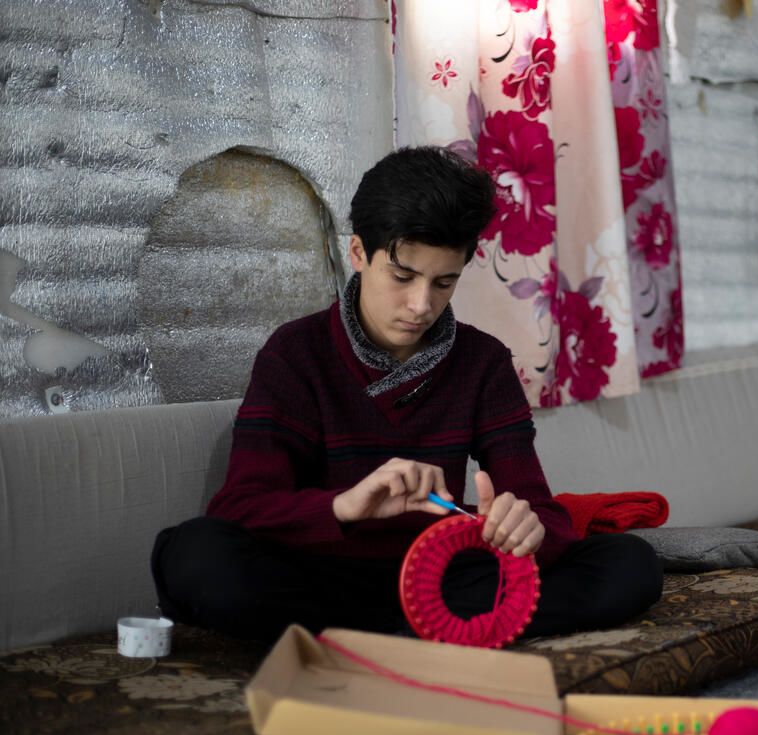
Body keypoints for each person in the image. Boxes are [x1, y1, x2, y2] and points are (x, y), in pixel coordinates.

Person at [151, 146, 663, 642]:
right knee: (194, 555)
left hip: (446, 580)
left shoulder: (482, 362)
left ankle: (402, 632)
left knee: (629, 565)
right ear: (358, 253)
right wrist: (347, 507)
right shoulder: (295, 353)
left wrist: (524, 529)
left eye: (444, 282)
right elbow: (239, 508)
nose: (422, 305)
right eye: (402, 275)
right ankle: (429, 634)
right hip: (320, 578)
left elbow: (544, 515)